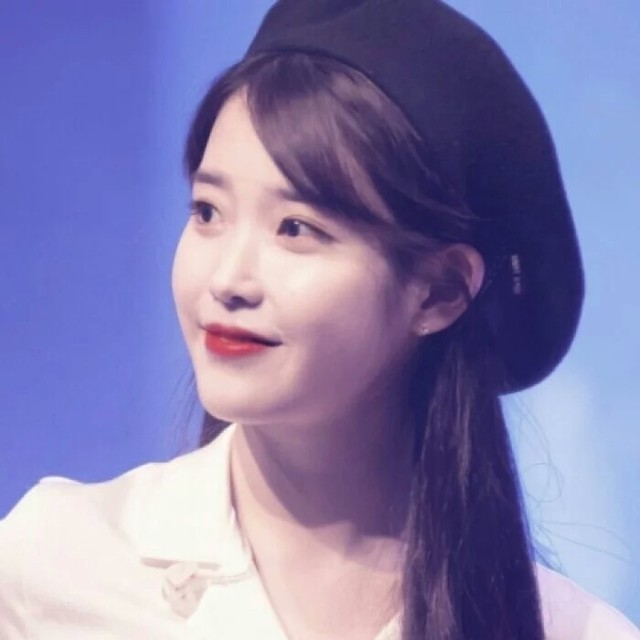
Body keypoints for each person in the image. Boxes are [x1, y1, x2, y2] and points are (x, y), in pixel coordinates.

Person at [0, 1, 638, 638]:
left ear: (440, 292)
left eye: (295, 229)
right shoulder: (58, 567)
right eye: (208, 212)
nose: (227, 280)